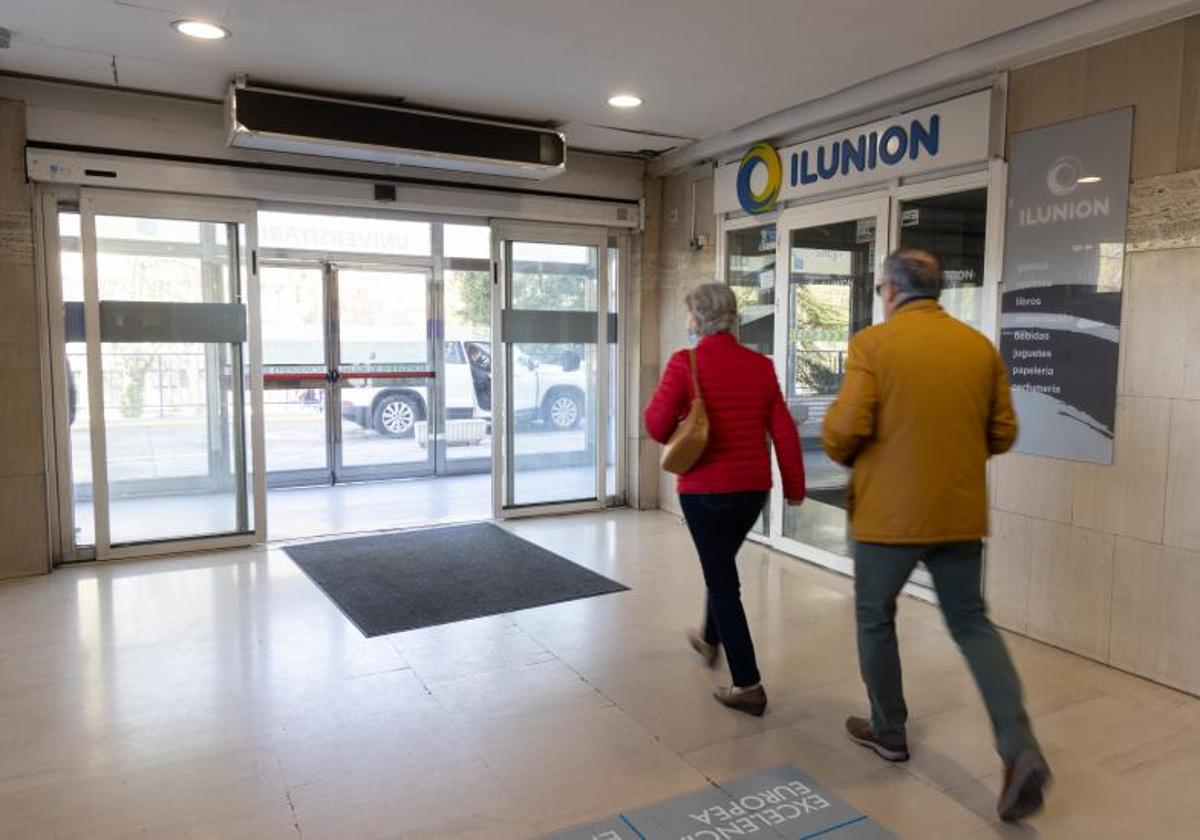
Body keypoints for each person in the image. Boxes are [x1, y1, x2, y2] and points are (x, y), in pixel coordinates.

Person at [821, 248, 1050, 822]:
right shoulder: (978, 348)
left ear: (892, 292)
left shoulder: (873, 346)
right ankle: (1019, 747)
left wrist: (845, 443)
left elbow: (844, 432)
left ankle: (889, 729)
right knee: (972, 623)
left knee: (875, 617)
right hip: (958, 514)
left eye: (880, 290)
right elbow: (1003, 432)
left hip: (887, 519)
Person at [645, 283, 806, 716]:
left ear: (697, 320)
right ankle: (708, 638)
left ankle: (748, 684)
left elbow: (657, 426)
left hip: (704, 493)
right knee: (721, 564)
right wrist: (793, 488)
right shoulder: (760, 366)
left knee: (721, 580)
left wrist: (682, 412)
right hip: (752, 492)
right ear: (732, 318)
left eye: (688, 315)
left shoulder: (687, 363)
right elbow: (785, 432)